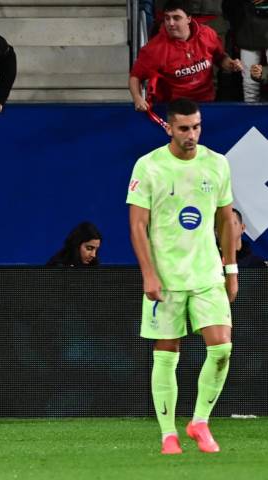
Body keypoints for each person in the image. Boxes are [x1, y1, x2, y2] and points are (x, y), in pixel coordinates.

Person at [127, 98, 238, 455]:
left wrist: (230, 268)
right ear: (169, 128)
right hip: (167, 276)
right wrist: (149, 274)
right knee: (166, 353)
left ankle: (200, 422)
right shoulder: (150, 166)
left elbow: (225, 220)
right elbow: (137, 225)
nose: (192, 135)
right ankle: (167, 434)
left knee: (222, 348)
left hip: (207, 272)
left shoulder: (217, 164)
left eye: (197, 127)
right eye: (184, 128)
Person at [128, 0, 243, 111]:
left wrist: (230, 64)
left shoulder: (207, 34)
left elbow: (220, 57)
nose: (170, 23)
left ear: (188, 19)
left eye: (176, 18)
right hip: (173, 108)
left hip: (206, 103)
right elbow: (135, 76)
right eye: (167, 18)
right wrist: (137, 98)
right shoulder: (154, 49)